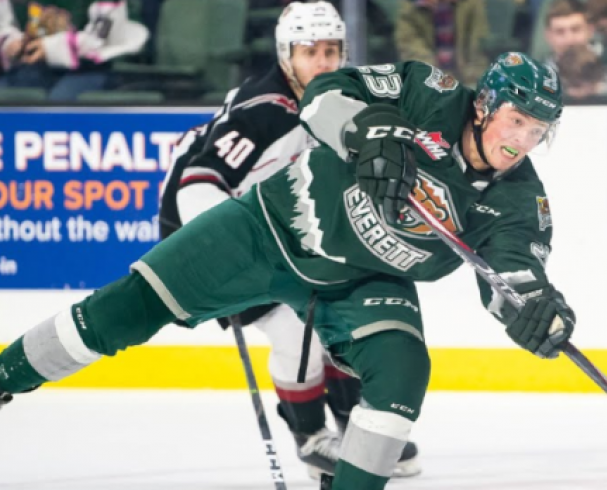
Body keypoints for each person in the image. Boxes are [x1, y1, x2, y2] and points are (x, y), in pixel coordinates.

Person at [0, 48, 577, 490]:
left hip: (364, 280)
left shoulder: (519, 201)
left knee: (403, 373)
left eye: (538, 130)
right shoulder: (433, 93)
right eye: (518, 120)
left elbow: (515, 279)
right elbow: (326, 93)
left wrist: (537, 313)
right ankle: (5, 376)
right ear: (484, 104)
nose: (524, 140)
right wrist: (368, 130)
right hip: (269, 227)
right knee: (123, 311)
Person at [157, 1, 419, 480]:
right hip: (200, 230)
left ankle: (351, 426)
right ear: (285, 54)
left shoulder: (339, 96)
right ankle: (311, 437)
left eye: (331, 50)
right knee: (293, 330)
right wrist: (218, 250)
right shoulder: (267, 111)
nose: (322, 61)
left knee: (340, 305)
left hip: (274, 225)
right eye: (309, 51)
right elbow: (196, 183)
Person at [0, 0, 148, 101]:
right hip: (35, 67)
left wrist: (50, 48)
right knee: (7, 94)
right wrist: (11, 42)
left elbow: (103, 38)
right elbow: (5, 23)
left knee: (59, 105)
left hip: (90, 69)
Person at [542, 0, 607, 100]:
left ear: (590, 30)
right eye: (560, 32)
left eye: (576, 29)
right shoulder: (536, 73)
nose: (569, 39)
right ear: (549, 36)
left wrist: (597, 91)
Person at [394, 0, 489, 87]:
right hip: (432, 82)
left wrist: (473, 83)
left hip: (471, 80)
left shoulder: (471, 4)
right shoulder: (410, 7)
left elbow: (479, 48)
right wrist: (438, 81)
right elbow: (412, 51)